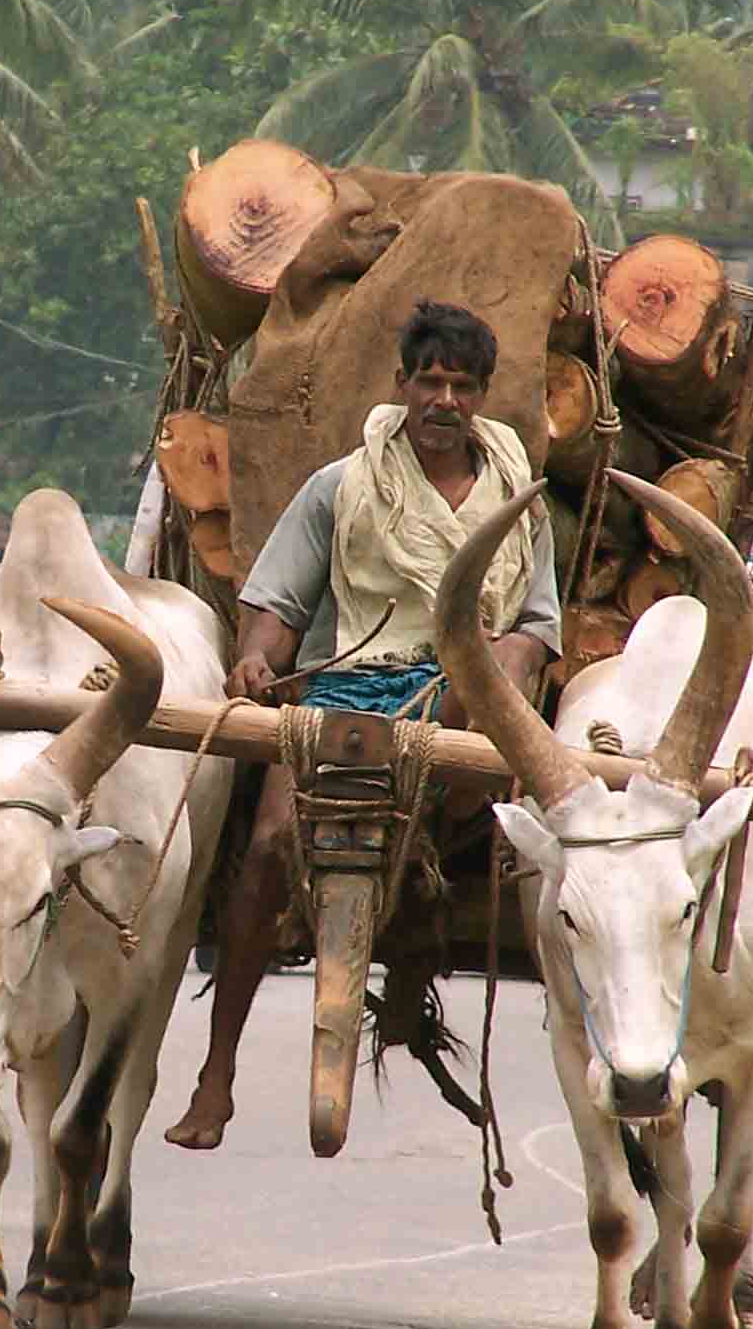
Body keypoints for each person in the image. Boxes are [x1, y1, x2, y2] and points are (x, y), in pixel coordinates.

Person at [166, 300, 560, 1150]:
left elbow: (536, 627)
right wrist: (256, 661)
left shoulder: (518, 500)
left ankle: (420, 904)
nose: (444, 400)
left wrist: (498, 670)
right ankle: (214, 1072)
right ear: (402, 384)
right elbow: (276, 605)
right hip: (341, 689)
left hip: (461, 699)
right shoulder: (341, 486)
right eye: (430, 381)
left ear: (482, 395)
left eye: (462, 386)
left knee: (476, 799)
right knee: (268, 845)